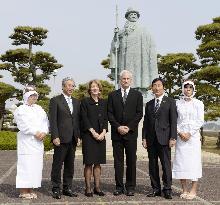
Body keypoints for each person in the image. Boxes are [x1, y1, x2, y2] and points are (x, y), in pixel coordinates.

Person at [108, 70, 143, 196]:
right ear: (120, 80)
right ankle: (118, 186)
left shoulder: (137, 95)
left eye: (128, 78)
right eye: (124, 79)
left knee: (131, 161)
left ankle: (130, 187)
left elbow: (139, 113)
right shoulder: (112, 95)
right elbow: (110, 113)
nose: (126, 80)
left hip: (131, 133)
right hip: (117, 134)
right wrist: (118, 127)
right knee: (118, 161)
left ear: (131, 80)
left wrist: (128, 127)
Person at [142, 78, 177, 199]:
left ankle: (167, 189)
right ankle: (155, 189)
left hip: (165, 138)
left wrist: (173, 137)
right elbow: (146, 122)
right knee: (152, 165)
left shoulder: (170, 102)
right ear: (152, 88)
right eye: (154, 86)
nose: (157, 88)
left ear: (163, 87)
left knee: (166, 165)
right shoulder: (149, 104)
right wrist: (144, 138)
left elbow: (173, 121)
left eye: (159, 85)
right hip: (151, 139)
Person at [109, 7, 158, 93]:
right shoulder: (122, 32)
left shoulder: (143, 30)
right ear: (127, 17)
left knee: (139, 76)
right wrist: (116, 36)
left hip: (140, 59)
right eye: (131, 14)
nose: (133, 16)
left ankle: (141, 90)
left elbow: (151, 45)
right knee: (126, 76)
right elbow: (115, 46)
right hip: (125, 59)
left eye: (135, 14)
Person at [14, 85, 49, 199]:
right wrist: (35, 132)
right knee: (26, 165)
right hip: (27, 142)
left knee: (36, 166)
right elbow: (22, 125)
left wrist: (44, 132)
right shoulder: (20, 109)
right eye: (31, 95)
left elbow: (46, 122)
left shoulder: (39, 108)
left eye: (35, 95)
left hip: (38, 143)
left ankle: (31, 188)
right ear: (26, 96)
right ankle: (23, 191)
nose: (33, 97)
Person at [49, 77, 81, 199]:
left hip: (72, 138)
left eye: (73, 86)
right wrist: (55, 136)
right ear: (63, 86)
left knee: (70, 165)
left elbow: (77, 121)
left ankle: (67, 188)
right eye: (69, 85)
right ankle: (56, 188)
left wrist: (78, 136)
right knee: (57, 164)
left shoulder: (77, 102)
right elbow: (53, 120)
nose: (71, 88)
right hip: (60, 139)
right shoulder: (55, 100)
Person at [172, 80, 204, 200]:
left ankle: (193, 190)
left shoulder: (199, 103)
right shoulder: (177, 103)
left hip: (193, 137)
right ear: (182, 89)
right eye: (186, 87)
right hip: (180, 137)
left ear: (193, 89)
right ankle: (184, 189)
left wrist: (189, 133)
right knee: (181, 162)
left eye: (190, 87)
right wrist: (180, 132)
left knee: (194, 162)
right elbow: (174, 120)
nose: (188, 89)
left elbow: (200, 120)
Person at [80, 80, 108, 197]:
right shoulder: (85, 102)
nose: (95, 88)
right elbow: (84, 118)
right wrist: (93, 132)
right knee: (88, 163)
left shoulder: (104, 102)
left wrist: (103, 132)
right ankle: (88, 188)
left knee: (98, 163)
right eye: (92, 87)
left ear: (99, 89)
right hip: (89, 136)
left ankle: (97, 187)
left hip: (101, 136)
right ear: (90, 90)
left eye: (96, 86)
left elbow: (106, 118)